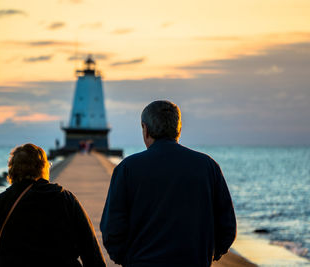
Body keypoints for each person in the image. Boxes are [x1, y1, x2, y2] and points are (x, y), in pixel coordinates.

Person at [100, 100, 236, 267]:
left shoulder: (127, 168)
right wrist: (210, 254)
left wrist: (127, 259)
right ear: (178, 129)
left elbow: (111, 228)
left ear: (145, 129)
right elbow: (227, 226)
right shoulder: (207, 166)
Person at [0, 143, 106, 267]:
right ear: (44, 167)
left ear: (12, 169)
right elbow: (90, 247)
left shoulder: (1, 202)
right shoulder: (65, 198)